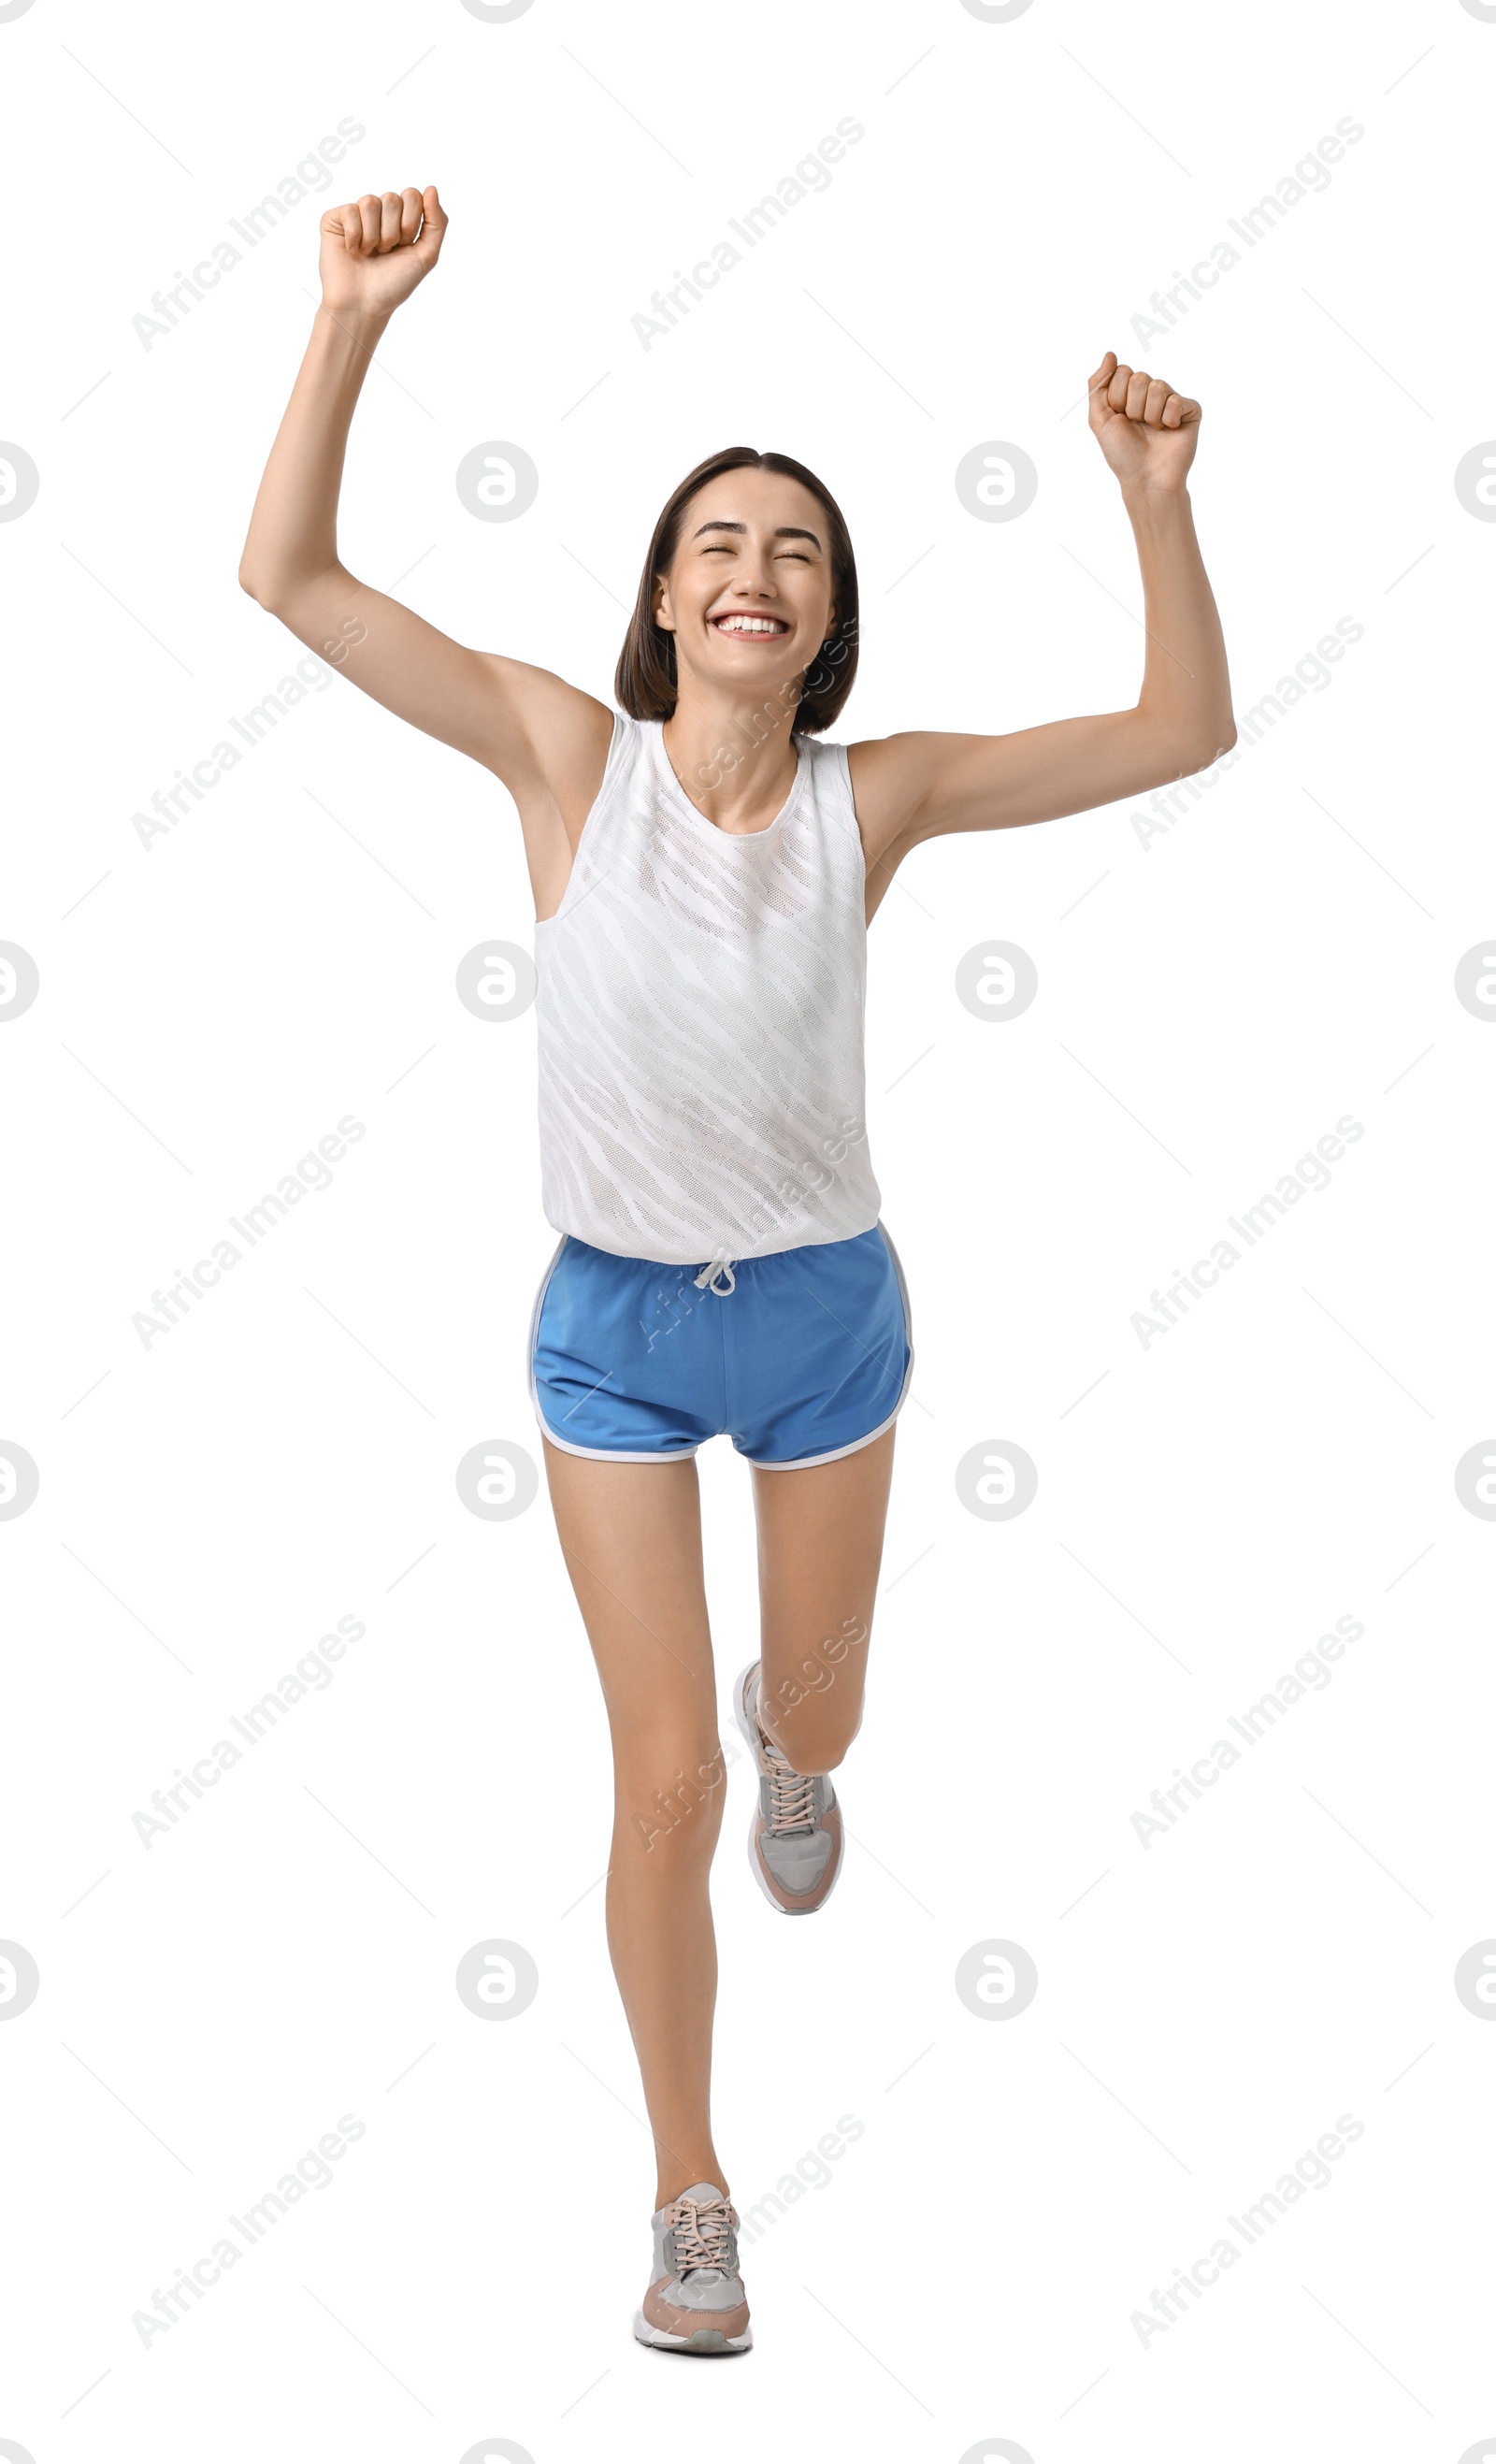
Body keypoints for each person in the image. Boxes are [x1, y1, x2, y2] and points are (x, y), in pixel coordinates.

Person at [239, 183, 1235, 2357]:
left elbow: (1178, 731)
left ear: (826, 616)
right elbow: (289, 578)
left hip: (817, 1323)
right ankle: (688, 2191)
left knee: (815, 1718)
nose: (753, 568)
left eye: (795, 546)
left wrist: (1151, 500)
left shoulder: (875, 801)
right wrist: (346, 323)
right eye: (718, 542)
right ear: (663, 602)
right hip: (605, 1325)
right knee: (662, 1782)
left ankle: (814, 1743)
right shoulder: (557, 758)